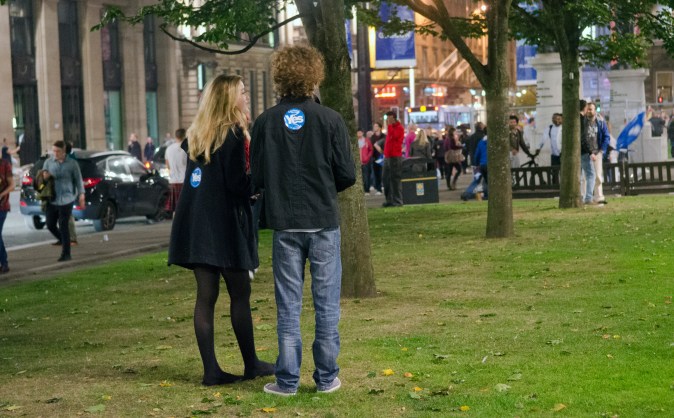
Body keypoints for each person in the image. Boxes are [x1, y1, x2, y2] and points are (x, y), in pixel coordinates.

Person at [250, 44, 355, 396]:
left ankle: (287, 380)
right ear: (314, 76)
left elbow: (258, 176)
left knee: (288, 306)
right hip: (323, 221)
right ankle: (326, 378)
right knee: (326, 304)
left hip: (285, 223)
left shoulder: (264, 122)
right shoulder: (330, 119)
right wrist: (324, 187)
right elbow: (347, 174)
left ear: (279, 77)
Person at [168, 74, 274, 386]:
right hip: (225, 224)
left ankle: (211, 370)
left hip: (196, 224)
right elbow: (236, 184)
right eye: (242, 92)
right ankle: (251, 363)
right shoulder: (233, 134)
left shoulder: (197, 134)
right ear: (229, 98)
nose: (246, 96)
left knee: (206, 296)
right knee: (240, 293)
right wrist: (257, 187)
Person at [42, 140, 85, 262]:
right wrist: (46, 176)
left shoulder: (72, 163)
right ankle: (63, 239)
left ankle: (66, 254)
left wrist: (81, 195)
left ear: (64, 151)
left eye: (58, 151)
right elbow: (43, 177)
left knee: (64, 225)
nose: (55, 153)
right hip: (52, 198)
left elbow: (78, 180)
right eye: (53, 151)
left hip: (67, 198)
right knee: (50, 224)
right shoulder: (48, 162)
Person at [585, 102, 610, 204]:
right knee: (585, 177)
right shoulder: (583, 121)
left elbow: (606, 136)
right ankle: (585, 197)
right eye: (588, 109)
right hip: (586, 152)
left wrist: (602, 150)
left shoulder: (600, 121)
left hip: (597, 152)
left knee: (598, 176)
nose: (589, 111)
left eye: (591, 109)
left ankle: (599, 197)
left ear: (595, 110)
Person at [382, 111, 405, 207]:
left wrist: (390, 126)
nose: (387, 121)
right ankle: (390, 200)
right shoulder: (390, 128)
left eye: (389, 118)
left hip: (395, 156)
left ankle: (398, 200)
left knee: (395, 179)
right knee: (386, 179)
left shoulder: (399, 128)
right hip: (388, 156)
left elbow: (393, 137)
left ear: (394, 118)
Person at [165, 128, 188, 216]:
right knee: (186, 208)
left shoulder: (169, 149)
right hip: (184, 181)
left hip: (173, 181)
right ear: (185, 136)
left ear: (176, 136)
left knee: (176, 209)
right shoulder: (186, 148)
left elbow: (167, 165)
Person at [579, 99, 596, 204]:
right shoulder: (583, 120)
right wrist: (590, 152)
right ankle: (589, 198)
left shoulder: (574, 119)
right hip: (584, 151)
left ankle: (580, 196)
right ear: (584, 108)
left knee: (579, 176)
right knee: (590, 174)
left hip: (576, 152)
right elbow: (584, 137)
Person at [0, 154, 13, 273]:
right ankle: (3, 263)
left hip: (2, 206)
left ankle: (4, 263)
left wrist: (2, 195)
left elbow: (12, 185)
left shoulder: (4, 164)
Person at [369, 123, 384, 195]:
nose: (374, 127)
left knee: (383, 173)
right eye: (374, 126)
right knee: (376, 174)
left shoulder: (384, 136)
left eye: (376, 126)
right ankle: (378, 189)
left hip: (383, 157)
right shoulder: (372, 137)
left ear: (380, 128)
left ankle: (383, 186)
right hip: (375, 158)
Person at [358, 129, 373, 194]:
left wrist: (367, 157)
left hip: (365, 161)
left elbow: (371, 150)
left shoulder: (366, 140)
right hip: (358, 162)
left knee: (366, 175)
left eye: (360, 132)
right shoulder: (356, 141)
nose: (359, 133)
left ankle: (367, 189)